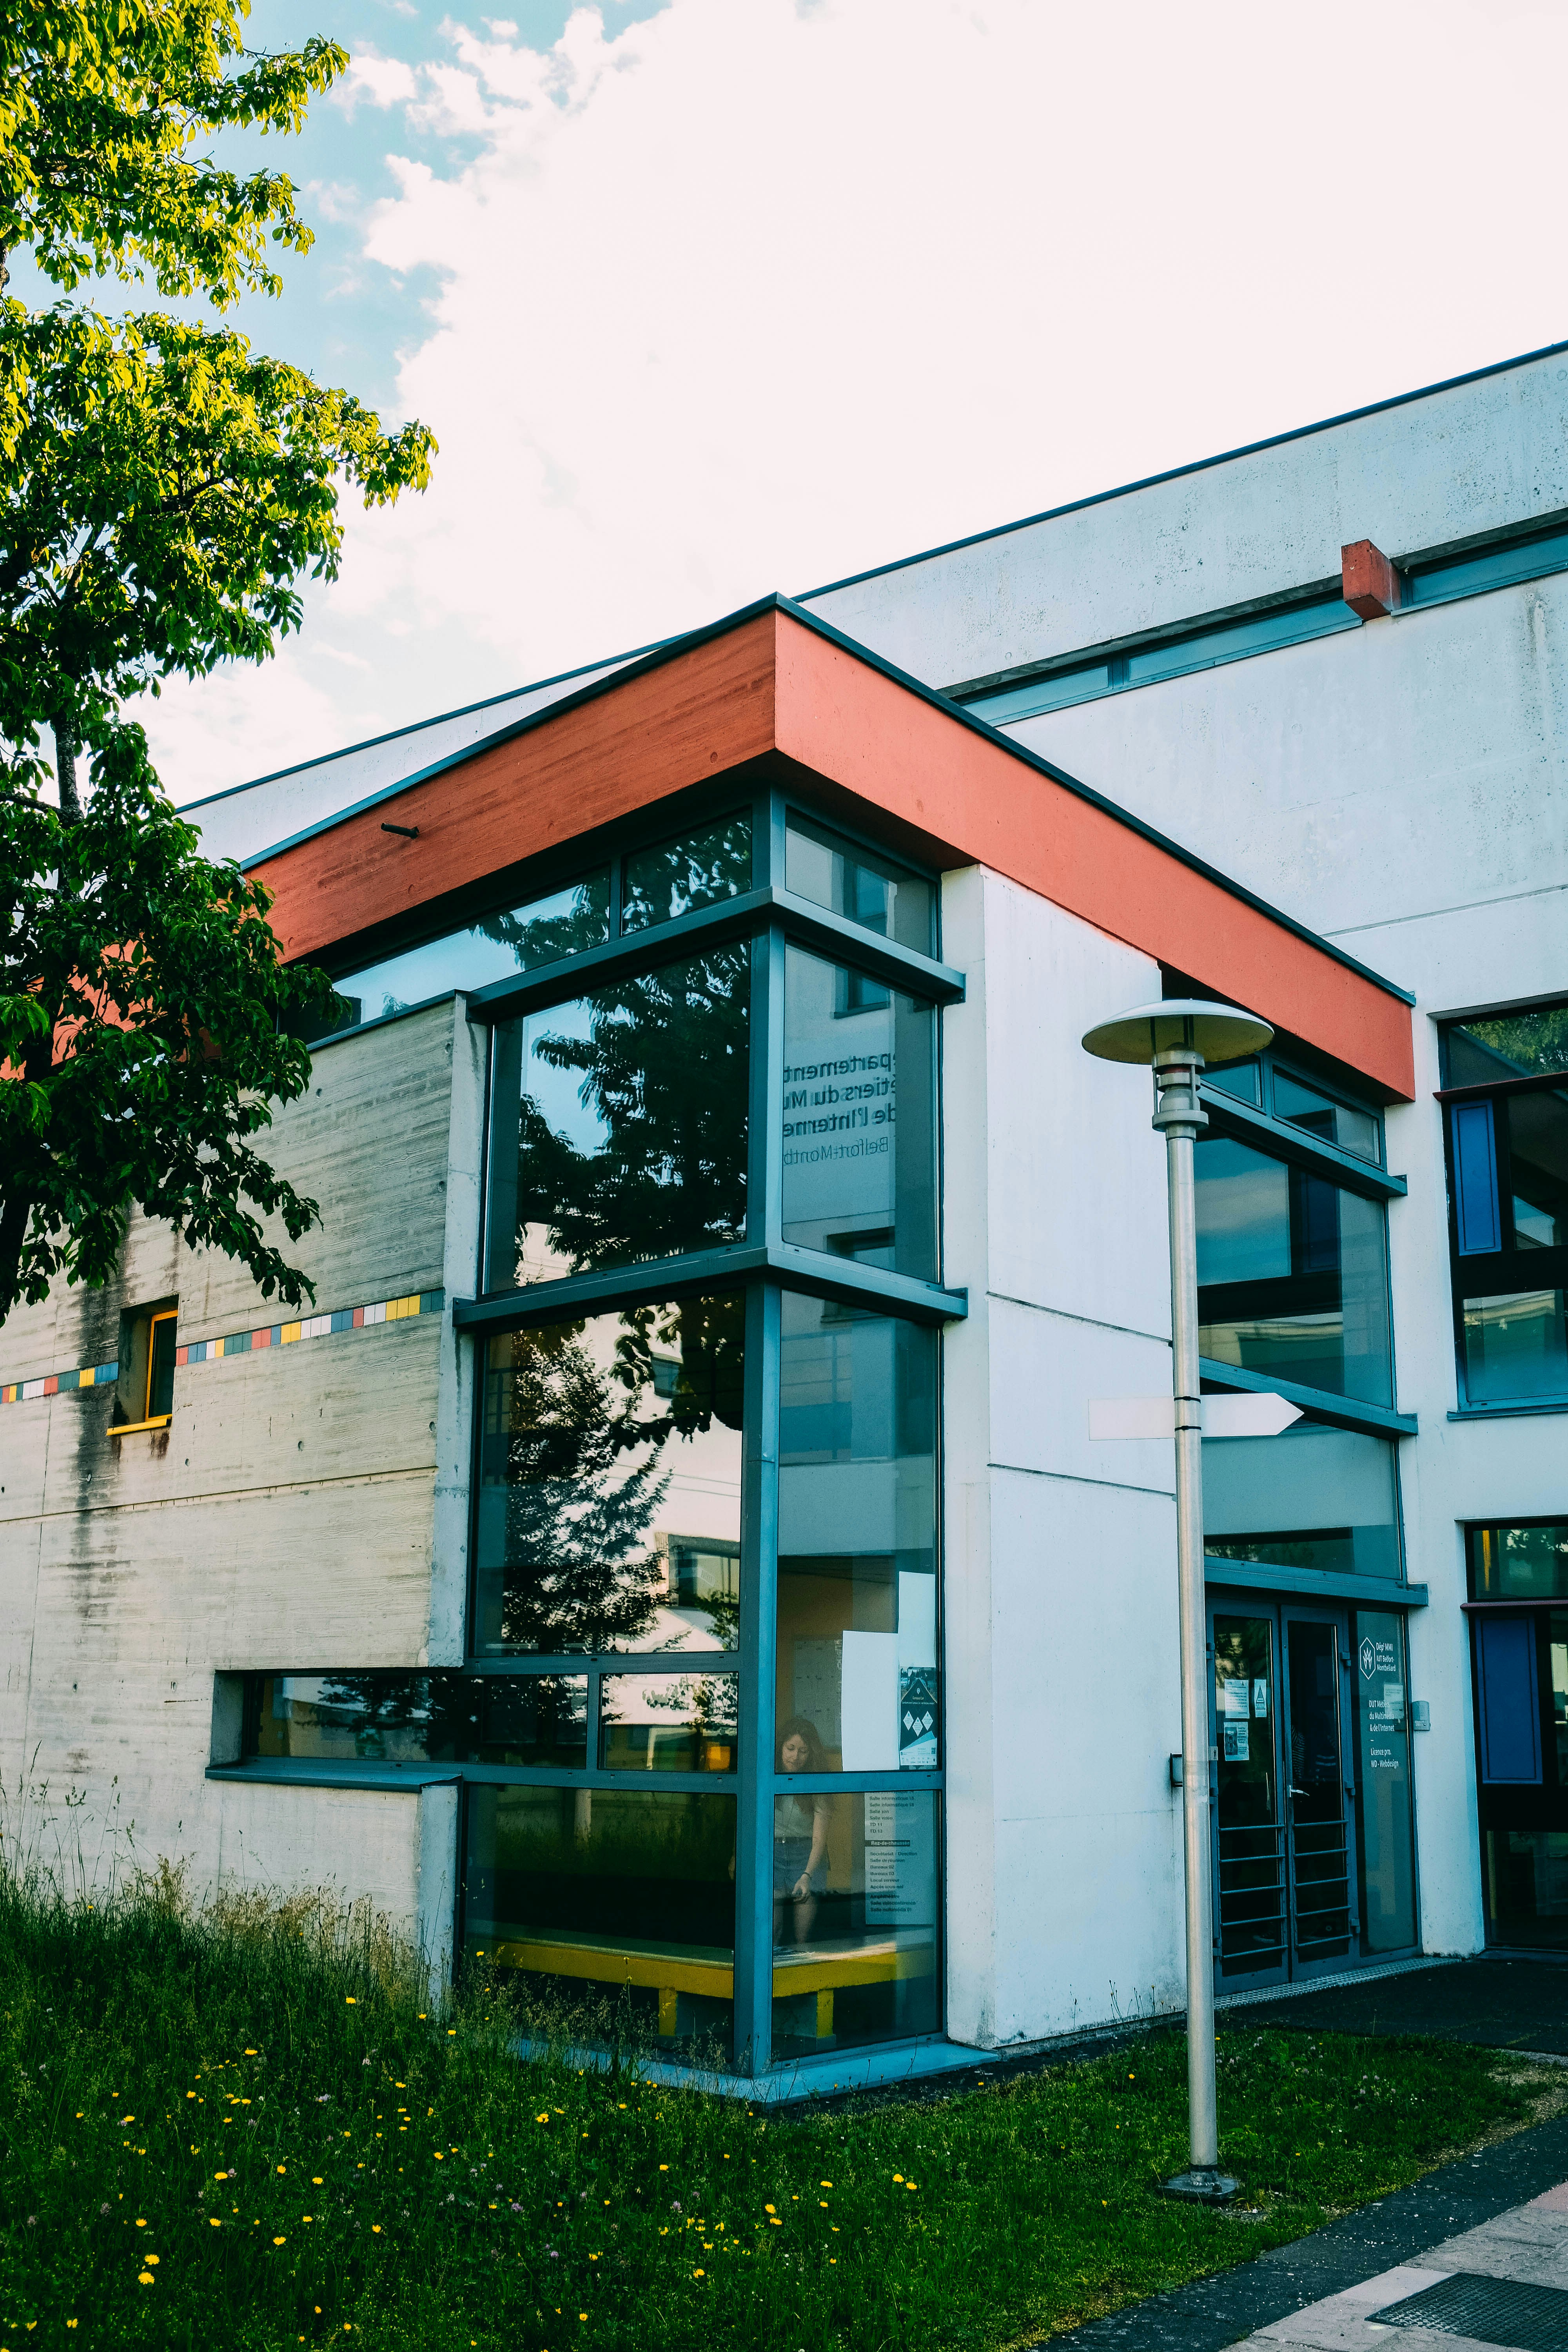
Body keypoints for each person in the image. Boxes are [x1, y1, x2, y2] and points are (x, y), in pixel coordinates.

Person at [774, 1715, 832, 1945]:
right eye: (790, 1748)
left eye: (803, 1751)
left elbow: (820, 1839)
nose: (795, 1757)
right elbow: (748, 1817)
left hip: (807, 1855)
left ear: (812, 1755)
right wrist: (735, 1855)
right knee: (773, 1931)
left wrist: (807, 1875)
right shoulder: (768, 1773)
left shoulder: (818, 1781)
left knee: (802, 1938)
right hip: (773, 1852)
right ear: (780, 1746)